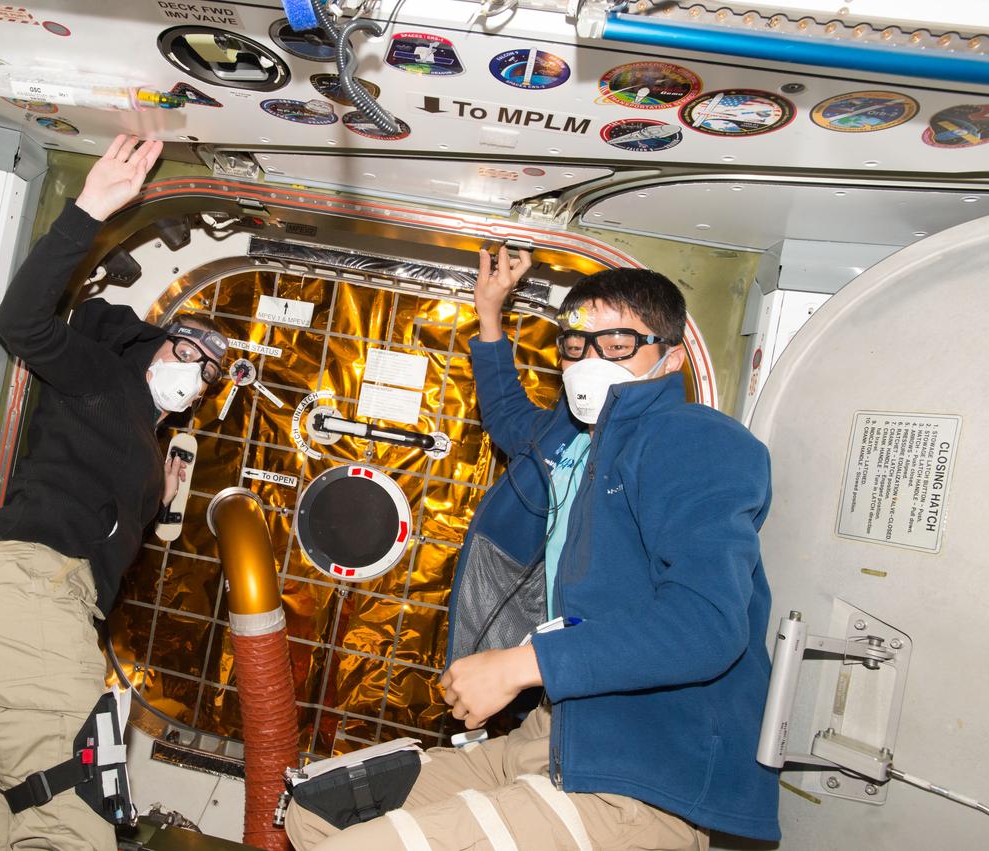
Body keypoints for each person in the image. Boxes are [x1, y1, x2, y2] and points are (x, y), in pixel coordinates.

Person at [285, 248, 779, 849]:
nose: (591, 359)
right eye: (576, 344)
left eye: (618, 342)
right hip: (556, 728)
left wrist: (523, 666)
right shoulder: (570, 436)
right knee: (314, 812)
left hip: (642, 769)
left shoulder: (697, 441)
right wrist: (489, 317)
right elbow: (506, 414)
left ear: (671, 355)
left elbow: (706, 625)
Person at [0, 134, 226, 850]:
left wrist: (155, 493)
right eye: (189, 349)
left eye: (210, 373)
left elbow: (99, 509)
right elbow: (20, 323)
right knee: (75, 819)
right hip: (30, 600)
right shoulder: (105, 378)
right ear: (152, 343)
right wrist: (85, 211)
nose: (199, 370)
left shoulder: (142, 451)